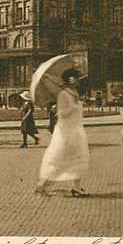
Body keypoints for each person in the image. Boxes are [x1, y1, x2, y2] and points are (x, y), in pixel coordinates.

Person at [35, 68, 90, 197]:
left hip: (76, 130)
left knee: (79, 158)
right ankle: (42, 186)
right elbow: (61, 114)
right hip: (65, 132)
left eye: (77, 77)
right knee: (59, 159)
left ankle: (76, 187)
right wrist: (74, 107)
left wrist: (79, 102)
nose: (77, 80)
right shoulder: (63, 95)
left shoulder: (74, 93)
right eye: (74, 77)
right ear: (68, 79)